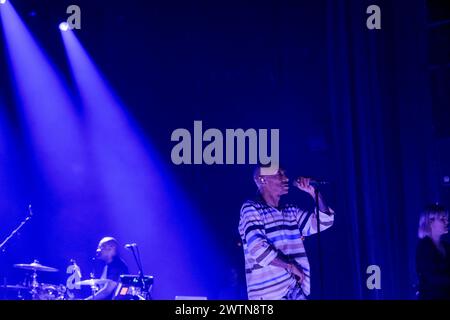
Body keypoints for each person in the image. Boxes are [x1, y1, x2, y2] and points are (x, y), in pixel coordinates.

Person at [238, 166, 335, 300]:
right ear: (262, 179)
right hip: (268, 296)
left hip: (295, 292)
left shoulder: (291, 211)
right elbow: (258, 249)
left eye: (285, 174)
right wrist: (290, 266)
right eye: (279, 174)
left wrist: (314, 193)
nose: (286, 178)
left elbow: (324, 221)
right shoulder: (251, 208)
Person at [416, 204, 450, 300]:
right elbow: (431, 277)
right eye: (442, 219)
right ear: (430, 222)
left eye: (446, 218)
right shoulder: (424, 247)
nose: (447, 222)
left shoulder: (447, 246)